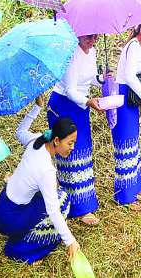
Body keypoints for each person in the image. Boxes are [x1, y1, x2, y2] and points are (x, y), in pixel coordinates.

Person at [0, 95, 80, 264]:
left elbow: (19, 132)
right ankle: (21, 249)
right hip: (10, 219)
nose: (73, 147)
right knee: (62, 201)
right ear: (56, 140)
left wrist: (37, 107)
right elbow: (53, 210)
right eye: (70, 143)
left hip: (2, 208)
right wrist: (70, 241)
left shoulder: (37, 140)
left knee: (53, 193)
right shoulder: (46, 170)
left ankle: (21, 235)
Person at [47, 33, 102, 225]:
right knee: (71, 153)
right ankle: (75, 206)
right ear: (78, 34)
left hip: (81, 105)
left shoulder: (92, 51)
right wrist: (88, 101)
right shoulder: (71, 54)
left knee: (83, 151)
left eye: (95, 37)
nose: (92, 41)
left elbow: (91, 78)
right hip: (65, 104)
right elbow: (70, 90)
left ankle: (84, 201)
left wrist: (103, 79)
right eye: (88, 37)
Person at [112, 22, 141, 210]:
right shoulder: (134, 47)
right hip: (124, 97)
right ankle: (125, 196)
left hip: (129, 98)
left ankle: (134, 189)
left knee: (132, 142)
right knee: (126, 143)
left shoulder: (136, 46)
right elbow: (130, 77)